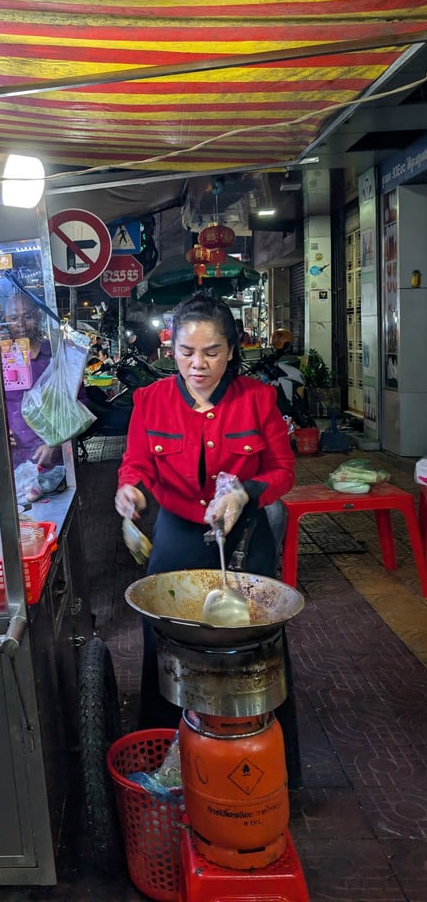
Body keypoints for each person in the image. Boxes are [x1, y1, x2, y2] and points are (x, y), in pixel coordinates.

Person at [114, 289, 295, 728]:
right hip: (178, 529)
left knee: (257, 636)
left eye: (212, 352)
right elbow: (136, 463)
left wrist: (244, 493)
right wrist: (131, 490)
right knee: (161, 628)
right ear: (171, 349)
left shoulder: (258, 399)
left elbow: (283, 471)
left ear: (231, 351)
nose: (198, 364)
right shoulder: (150, 400)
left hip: (244, 535)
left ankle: (271, 741)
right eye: (186, 352)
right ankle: (158, 738)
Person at [1, 292, 61, 468]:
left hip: (54, 459)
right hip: (14, 459)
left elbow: (77, 403)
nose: (20, 324)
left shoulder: (54, 355)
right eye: (13, 318)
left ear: (37, 317)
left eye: (27, 317)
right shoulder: (1, 359)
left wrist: (55, 441)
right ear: (5, 319)